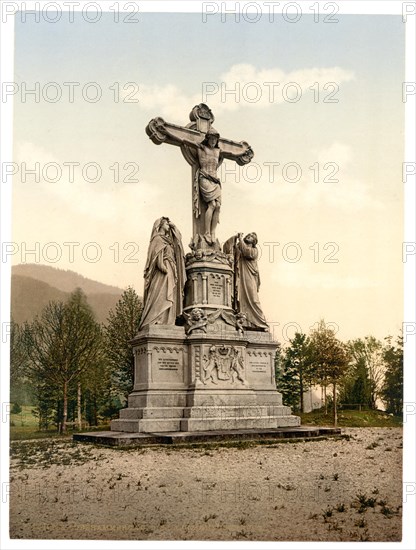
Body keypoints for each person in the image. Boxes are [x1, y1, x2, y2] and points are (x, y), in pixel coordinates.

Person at [139, 217, 186, 329]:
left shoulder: (168, 240)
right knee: (161, 294)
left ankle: (167, 320)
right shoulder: (158, 239)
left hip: (171, 269)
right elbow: (156, 256)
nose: (168, 226)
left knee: (169, 295)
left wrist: (174, 226)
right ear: (160, 225)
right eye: (166, 224)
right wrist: (163, 266)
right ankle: (156, 318)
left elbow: (178, 242)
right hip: (163, 271)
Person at [234, 232, 269, 331]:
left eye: (252, 237)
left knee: (253, 298)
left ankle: (261, 323)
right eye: (248, 236)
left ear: (254, 242)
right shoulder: (240, 248)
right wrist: (234, 239)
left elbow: (247, 252)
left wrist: (240, 239)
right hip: (242, 277)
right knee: (242, 298)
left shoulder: (254, 250)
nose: (249, 237)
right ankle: (246, 323)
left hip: (250, 276)